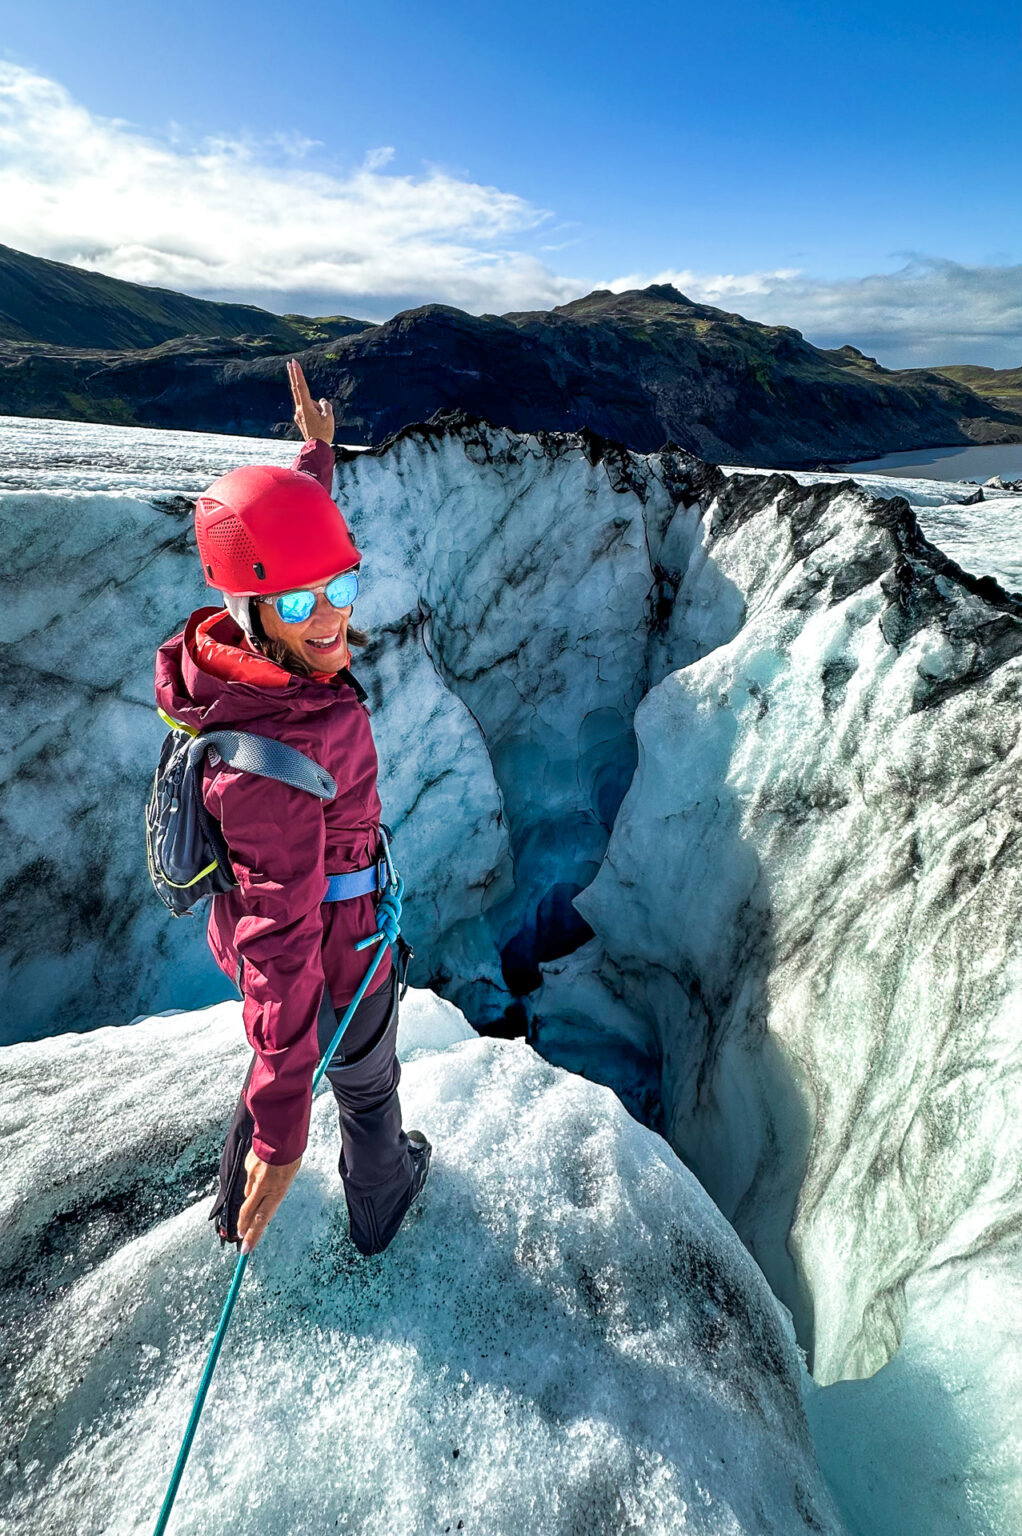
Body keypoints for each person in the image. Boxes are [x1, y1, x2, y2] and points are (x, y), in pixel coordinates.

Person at [154, 359, 430, 1258]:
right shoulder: (274, 760)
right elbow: (282, 935)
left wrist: (315, 455)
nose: (329, 622)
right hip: (338, 946)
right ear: (254, 608)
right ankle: (380, 1202)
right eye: (306, 602)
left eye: (341, 589)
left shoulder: (245, 650)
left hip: (310, 929)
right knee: (364, 1082)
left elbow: (283, 551)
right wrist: (283, 1127)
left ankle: (233, 1197)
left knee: (282, 1055)